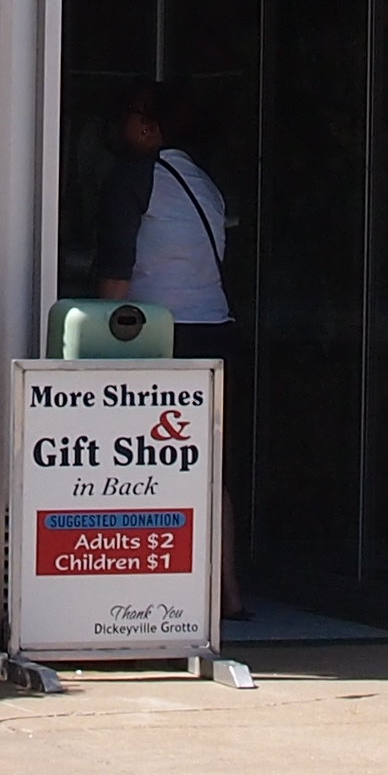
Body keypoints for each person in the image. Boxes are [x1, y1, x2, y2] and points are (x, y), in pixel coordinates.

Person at [94, 79, 244, 614]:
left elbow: (117, 266)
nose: (117, 125)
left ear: (148, 127)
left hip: (159, 334)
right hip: (216, 330)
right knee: (209, 464)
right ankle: (227, 593)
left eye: (126, 114)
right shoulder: (204, 182)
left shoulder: (136, 177)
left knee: (143, 462)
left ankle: (145, 596)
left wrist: (98, 343)